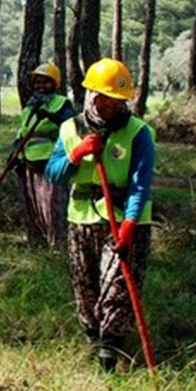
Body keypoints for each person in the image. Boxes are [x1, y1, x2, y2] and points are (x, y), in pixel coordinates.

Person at [46, 58, 155, 372]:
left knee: (117, 285)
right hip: (81, 219)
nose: (100, 101)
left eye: (109, 97)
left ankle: (110, 356)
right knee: (86, 289)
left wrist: (130, 225)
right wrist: (76, 154)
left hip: (123, 220)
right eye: (96, 94)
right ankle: (94, 340)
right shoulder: (71, 128)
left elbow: (141, 184)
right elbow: (54, 174)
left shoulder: (139, 133)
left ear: (122, 101)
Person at [15, 62, 76, 246]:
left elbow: (71, 125)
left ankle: (58, 243)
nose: (41, 86)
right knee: (32, 203)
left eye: (45, 82)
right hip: (28, 161)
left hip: (50, 162)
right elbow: (23, 131)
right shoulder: (30, 106)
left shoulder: (62, 104)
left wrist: (50, 115)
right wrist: (15, 153)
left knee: (52, 205)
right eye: (38, 82)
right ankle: (36, 241)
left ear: (55, 84)